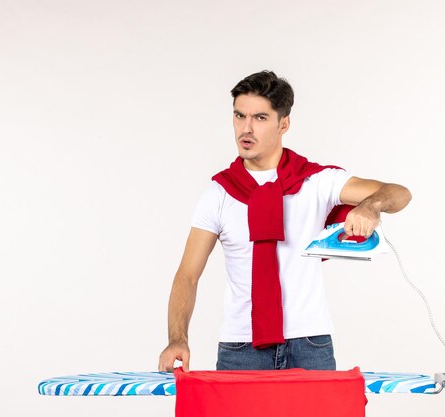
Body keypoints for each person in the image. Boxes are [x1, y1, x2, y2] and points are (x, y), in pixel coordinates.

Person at [158, 71, 411, 372]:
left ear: (284, 124)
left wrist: (371, 206)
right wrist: (177, 339)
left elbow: (399, 193)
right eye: (239, 116)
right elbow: (187, 275)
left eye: (260, 118)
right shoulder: (219, 193)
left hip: (310, 344)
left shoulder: (316, 182)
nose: (246, 128)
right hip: (241, 347)